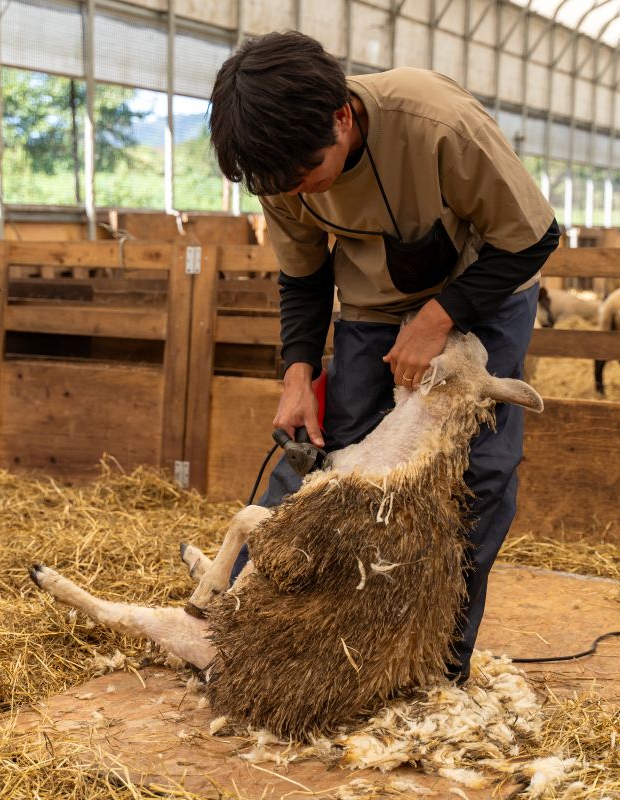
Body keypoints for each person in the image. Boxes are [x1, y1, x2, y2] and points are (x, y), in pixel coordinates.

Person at [208, 31, 559, 684]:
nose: (295, 191)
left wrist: (438, 317)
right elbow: (305, 277)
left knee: (476, 472)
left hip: (485, 289)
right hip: (372, 298)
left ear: (342, 115)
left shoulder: (437, 124)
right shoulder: (281, 168)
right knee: (334, 458)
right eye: (278, 183)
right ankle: (248, 632)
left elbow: (534, 238)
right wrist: (298, 375)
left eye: (308, 173)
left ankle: (433, 668)